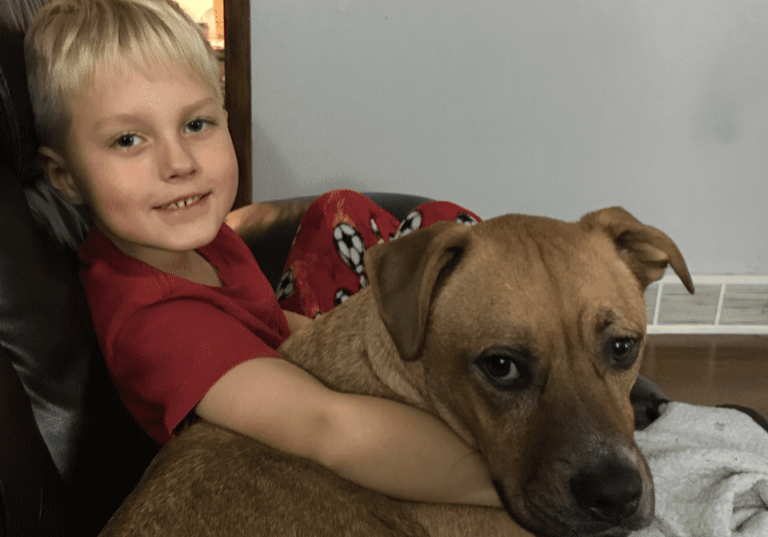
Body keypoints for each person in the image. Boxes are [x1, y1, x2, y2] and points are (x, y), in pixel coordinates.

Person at [24, 0, 500, 508]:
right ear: (65, 177)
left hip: (283, 362)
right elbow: (326, 430)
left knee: (350, 210)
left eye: (196, 124)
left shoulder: (195, 236)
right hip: (271, 469)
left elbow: (272, 320)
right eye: (128, 139)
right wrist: (505, 481)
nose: (179, 162)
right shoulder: (157, 326)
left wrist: (326, 337)